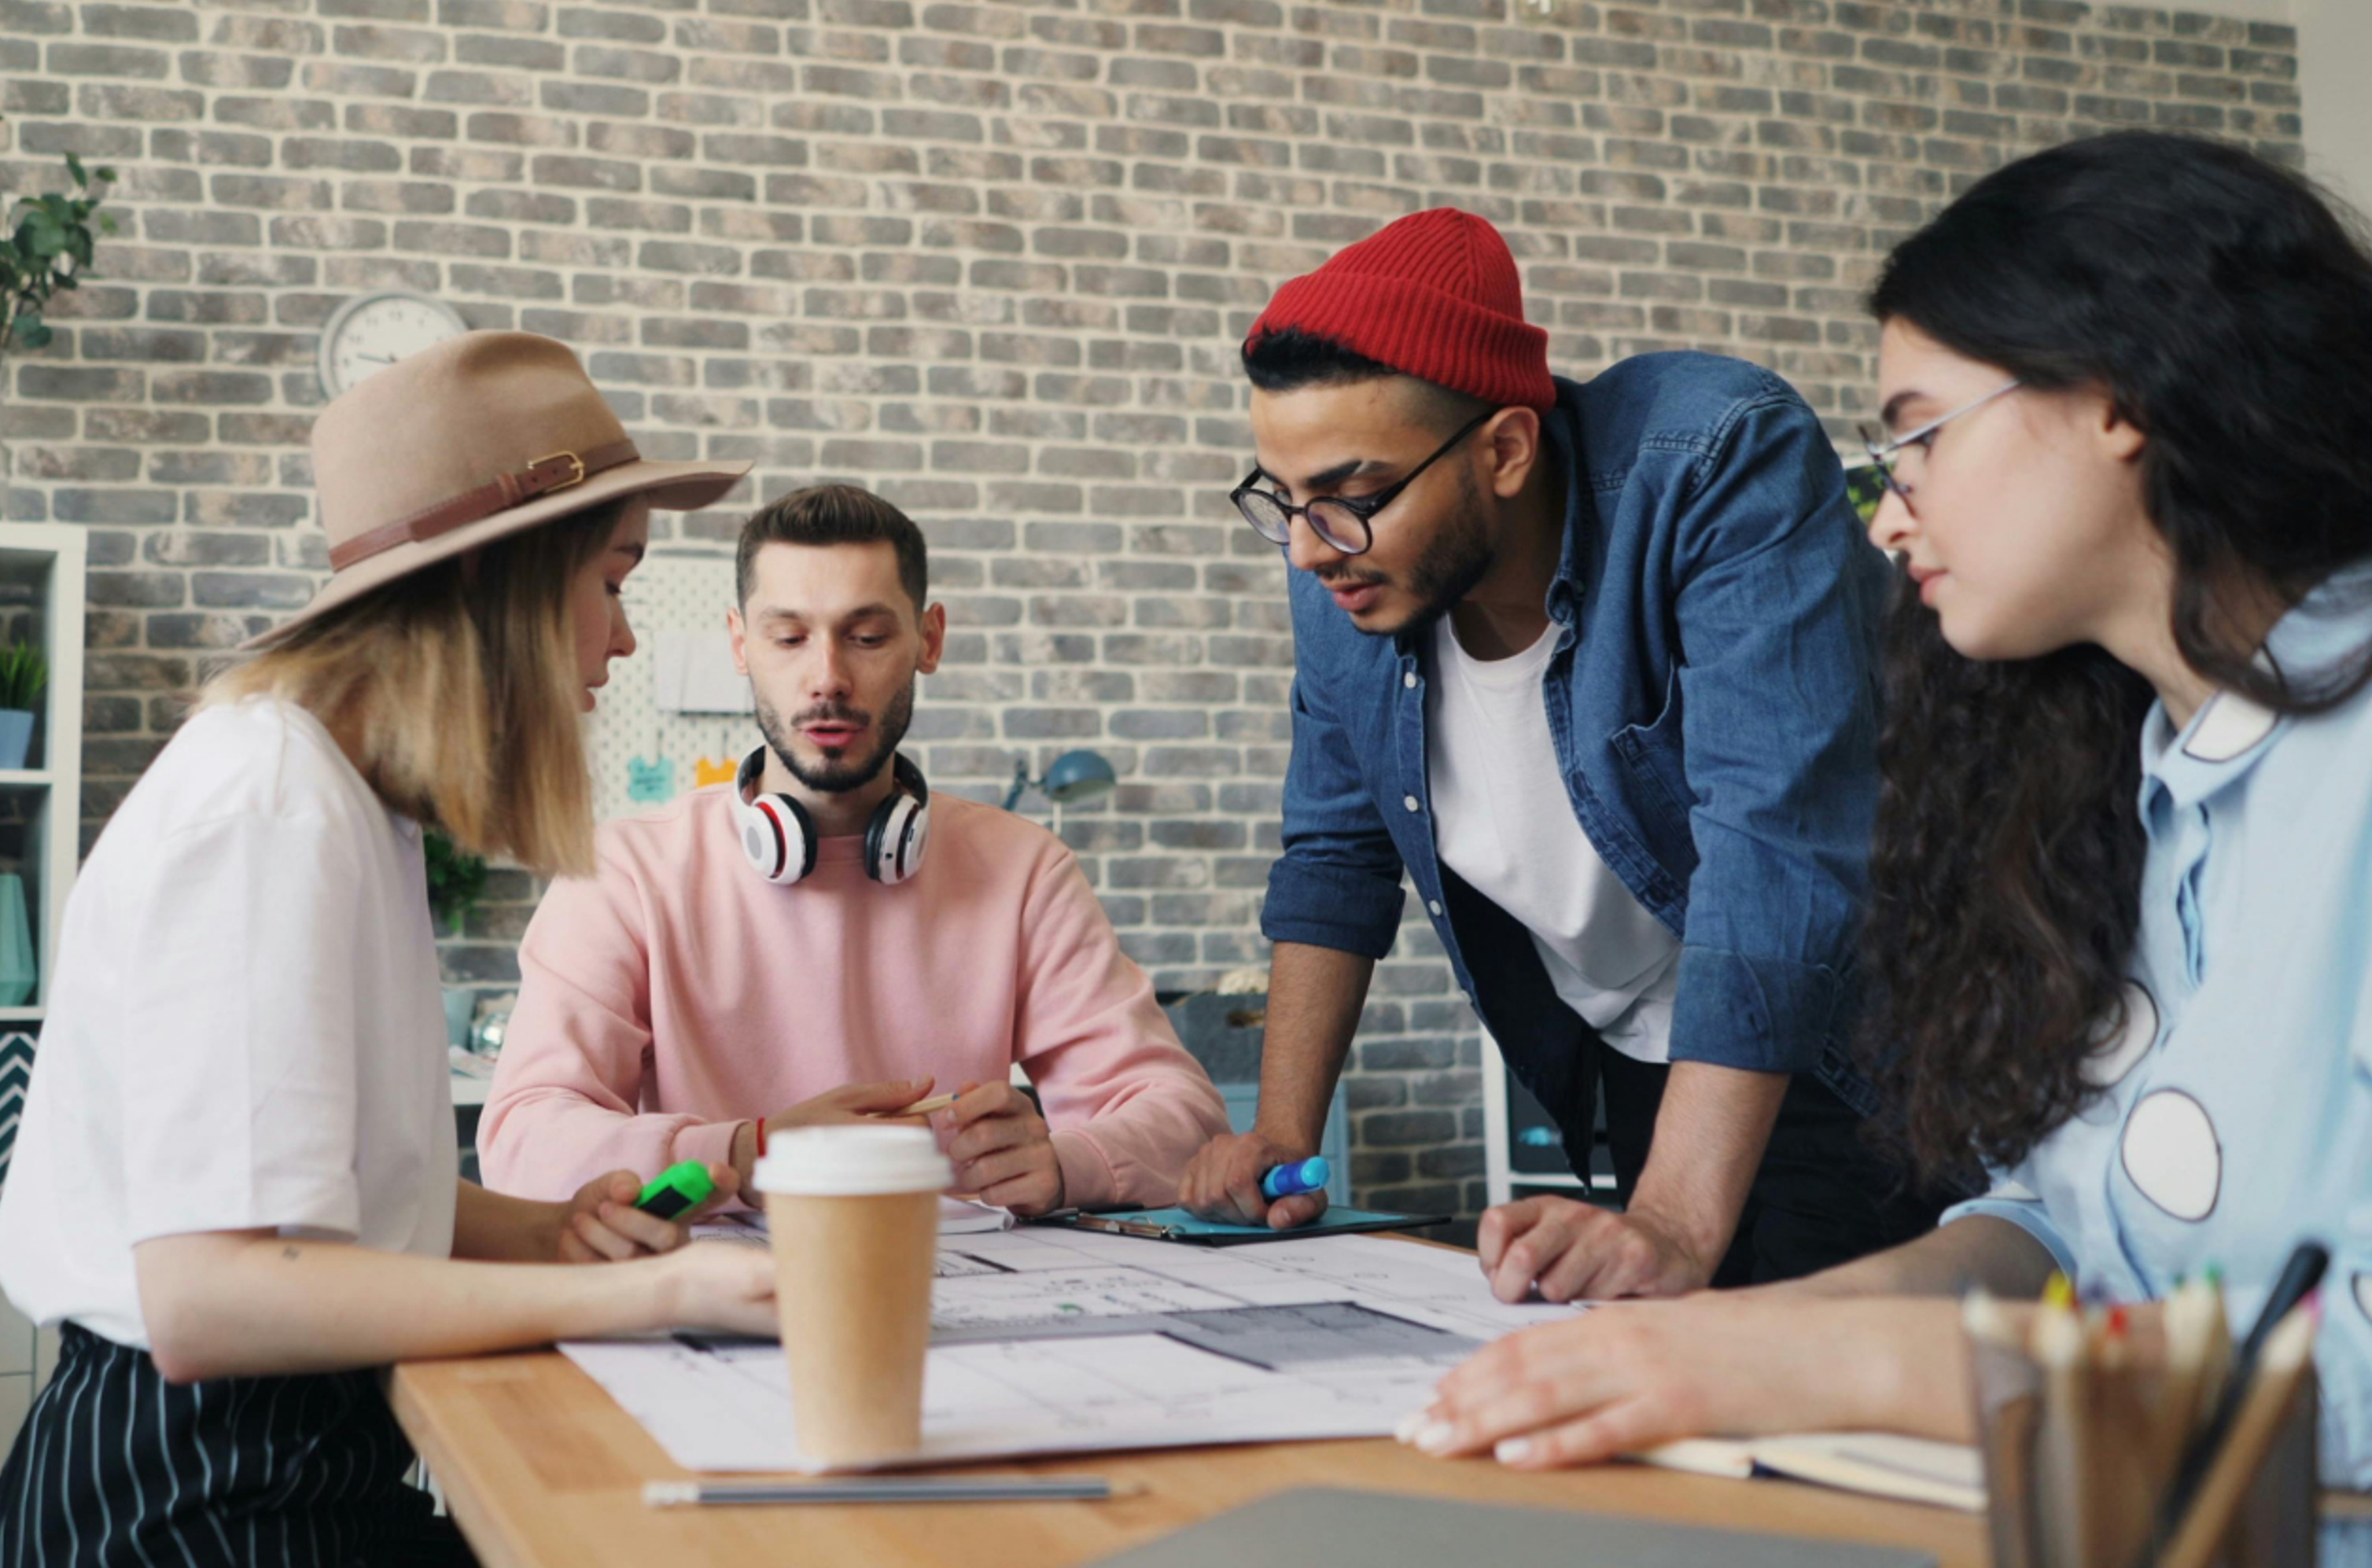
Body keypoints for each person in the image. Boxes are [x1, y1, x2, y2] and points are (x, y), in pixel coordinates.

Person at [1398, 134, 2372, 1504]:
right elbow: (2055, 1228)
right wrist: (1740, 1323)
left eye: (1918, 437)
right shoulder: (2136, 781)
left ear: (2120, 397)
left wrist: (1825, 1368)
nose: (1889, 514)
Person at [0, 333, 778, 1565]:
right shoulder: (268, 811)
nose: (619, 642)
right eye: (612, 582)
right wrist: (642, 1293)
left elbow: (326, 1198)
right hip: (189, 1493)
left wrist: (552, 1228)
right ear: (502, 588)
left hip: (280, 1458)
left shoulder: (345, 799)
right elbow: (215, 1294)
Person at [1177, 208, 1948, 1296]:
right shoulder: (1347, 575)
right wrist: (1282, 1136)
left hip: (1858, 1048)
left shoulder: (1714, 461)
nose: (1308, 548)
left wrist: (1676, 1215)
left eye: (1350, 499)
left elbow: (1776, 848)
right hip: (1641, 1065)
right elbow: (1335, 856)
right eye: (1286, 500)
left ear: (1504, 449)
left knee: (1816, 1420)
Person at [477, 483, 1228, 1215]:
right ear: (741, 644)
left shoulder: (1023, 869)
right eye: (789, 636)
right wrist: (751, 1152)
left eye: (867, 637)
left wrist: (1065, 1163)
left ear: (928, 640)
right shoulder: (623, 874)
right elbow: (523, 1142)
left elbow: (1185, 1114)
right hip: (716, 1306)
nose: (828, 678)